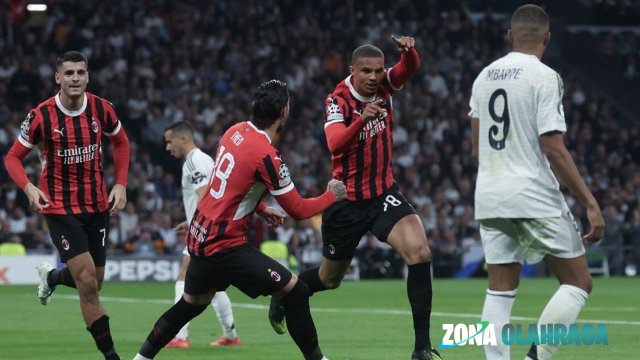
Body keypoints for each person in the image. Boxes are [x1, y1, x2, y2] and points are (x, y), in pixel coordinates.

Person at [133, 79, 346, 360]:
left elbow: (233, 184)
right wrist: (332, 195)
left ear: (254, 107)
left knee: (190, 304)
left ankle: (140, 358)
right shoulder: (269, 156)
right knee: (297, 292)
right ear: (285, 111)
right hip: (225, 245)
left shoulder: (234, 131)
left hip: (200, 235)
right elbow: (298, 209)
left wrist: (259, 207)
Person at [268, 36, 441, 360]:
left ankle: (421, 348)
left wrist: (410, 53)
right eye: (367, 71)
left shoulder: (385, 86)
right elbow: (334, 144)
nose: (375, 77)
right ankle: (283, 293)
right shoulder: (338, 100)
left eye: (378, 70)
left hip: (382, 193)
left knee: (419, 252)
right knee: (328, 279)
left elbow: (409, 69)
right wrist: (363, 118)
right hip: (346, 201)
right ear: (352, 71)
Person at [468, 5, 605, 360]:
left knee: (499, 289)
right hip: (530, 191)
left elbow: (475, 149)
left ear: (510, 36)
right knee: (578, 282)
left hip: (490, 193)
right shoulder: (544, 76)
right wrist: (590, 202)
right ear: (547, 38)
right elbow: (553, 147)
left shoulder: (483, 77)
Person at [4, 50, 130, 360]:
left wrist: (121, 183)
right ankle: (111, 356)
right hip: (58, 206)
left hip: (97, 204)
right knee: (86, 281)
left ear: (88, 76)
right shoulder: (40, 116)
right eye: (69, 73)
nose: (75, 78)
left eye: (80, 73)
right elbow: (12, 158)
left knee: (95, 282)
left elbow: (121, 143)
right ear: (58, 78)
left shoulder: (102, 109)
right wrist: (29, 187)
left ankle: (52, 277)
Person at [162, 120, 241, 348]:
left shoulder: (194, 162)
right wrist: (190, 221)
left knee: (183, 277)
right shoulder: (203, 160)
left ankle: (178, 336)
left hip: (205, 233)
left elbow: (205, 196)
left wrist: (198, 226)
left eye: (169, 142)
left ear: (183, 139)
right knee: (213, 288)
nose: (168, 147)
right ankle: (230, 335)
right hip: (207, 229)